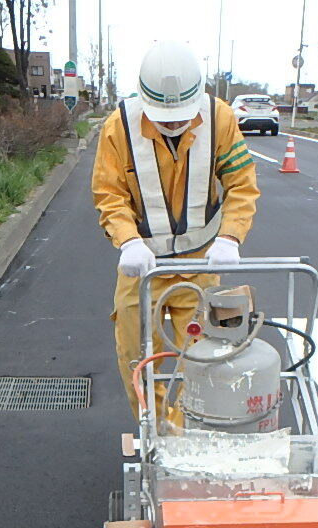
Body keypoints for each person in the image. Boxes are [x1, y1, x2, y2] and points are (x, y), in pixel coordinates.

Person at [91, 39, 259, 416]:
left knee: (201, 360)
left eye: (180, 117)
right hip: (143, 268)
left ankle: (185, 433)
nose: (171, 123)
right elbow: (109, 193)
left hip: (200, 265)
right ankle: (153, 428)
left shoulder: (220, 120)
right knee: (135, 357)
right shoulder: (119, 127)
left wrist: (230, 237)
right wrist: (128, 242)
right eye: (163, 118)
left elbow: (241, 184)